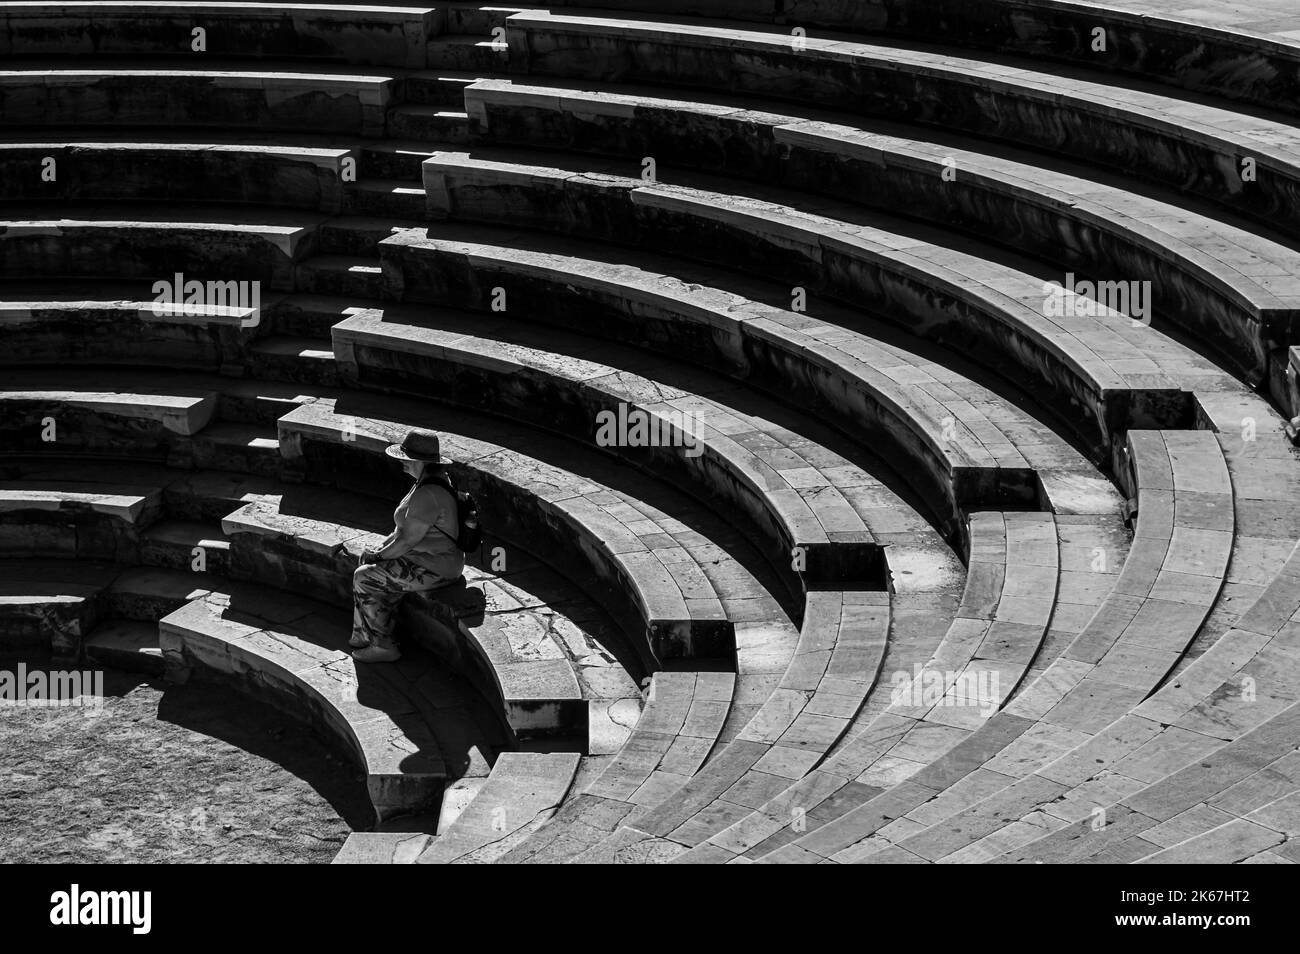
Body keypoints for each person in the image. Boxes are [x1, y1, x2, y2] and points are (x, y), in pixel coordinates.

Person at [350, 429, 465, 663]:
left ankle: (383, 646)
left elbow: (407, 540)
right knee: (368, 568)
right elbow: (402, 531)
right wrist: (378, 550)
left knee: (365, 577)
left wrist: (379, 557)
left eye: (406, 458)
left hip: (437, 568)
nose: (401, 461)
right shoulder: (427, 482)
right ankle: (364, 633)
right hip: (423, 558)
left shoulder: (429, 493)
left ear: (420, 462)